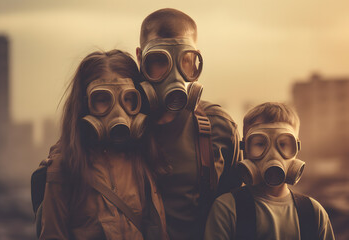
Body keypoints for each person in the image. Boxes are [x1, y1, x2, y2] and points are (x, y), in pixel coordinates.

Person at [38, 50, 168, 240]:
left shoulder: (143, 160)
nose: (118, 112)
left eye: (128, 99)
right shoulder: (65, 168)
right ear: (84, 105)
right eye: (102, 99)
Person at [135, 8, 242, 240]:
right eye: (160, 60)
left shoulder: (219, 126)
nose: (174, 74)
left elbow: (235, 211)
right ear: (140, 58)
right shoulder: (123, 128)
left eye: (185, 60)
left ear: (196, 60)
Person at [204, 102, 335, 240]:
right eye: (260, 144)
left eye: (283, 144)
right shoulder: (227, 209)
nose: (273, 155)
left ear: (296, 147)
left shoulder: (313, 213)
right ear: (245, 148)